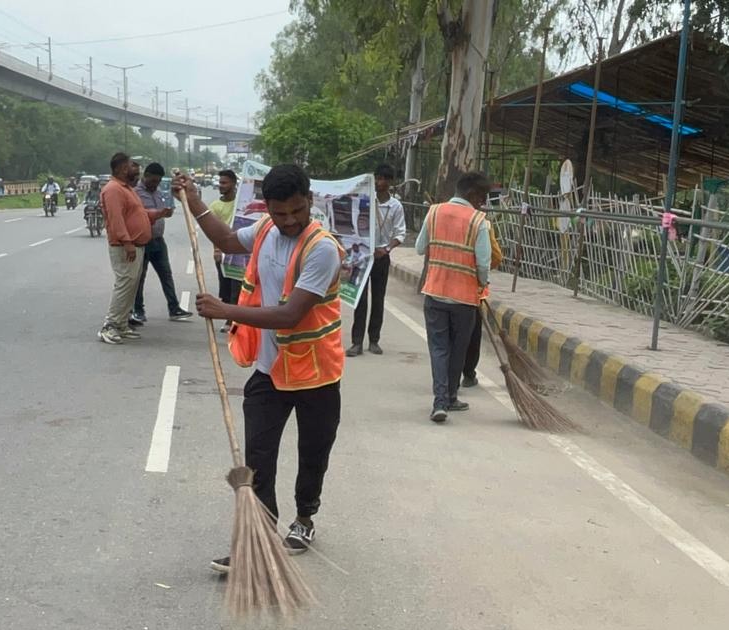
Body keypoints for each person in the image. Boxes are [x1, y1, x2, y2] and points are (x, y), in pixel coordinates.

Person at [173, 164, 344, 571]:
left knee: (312, 453)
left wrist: (223, 308)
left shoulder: (321, 247)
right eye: (280, 212)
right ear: (267, 207)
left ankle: (304, 518)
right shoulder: (266, 230)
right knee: (258, 458)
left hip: (316, 374)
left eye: (297, 211)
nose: (289, 221)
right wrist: (194, 199)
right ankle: (260, 539)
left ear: (310, 202)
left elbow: (291, 315)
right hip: (270, 370)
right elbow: (229, 239)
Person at [415, 172, 493, 423]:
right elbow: (483, 263)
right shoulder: (479, 221)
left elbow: (419, 247)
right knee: (458, 349)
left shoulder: (434, 212)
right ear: (472, 194)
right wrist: (483, 283)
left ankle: (440, 402)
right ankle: (449, 397)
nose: (482, 203)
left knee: (439, 349)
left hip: (435, 292)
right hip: (465, 298)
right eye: (482, 198)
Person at [97, 153, 171, 345]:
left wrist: (157, 214)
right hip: (125, 246)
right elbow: (116, 219)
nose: (137, 170)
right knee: (124, 284)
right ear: (122, 169)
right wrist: (127, 242)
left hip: (137, 245)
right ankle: (110, 325)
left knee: (131, 285)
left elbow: (137, 214)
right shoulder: (113, 189)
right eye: (132, 166)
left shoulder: (127, 189)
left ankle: (121, 324)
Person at [347, 165, 406, 357]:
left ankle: (374, 340)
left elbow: (400, 232)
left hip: (382, 256)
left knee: (378, 299)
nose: (380, 182)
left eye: (384, 179)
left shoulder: (396, 206)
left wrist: (387, 249)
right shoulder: (365, 199)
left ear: (390, 182)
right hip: (363, 256)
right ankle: (356, 342)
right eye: (377, 178)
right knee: (360, 299)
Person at [131, 162, 193, 325]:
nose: (155, 184)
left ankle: (174, 308)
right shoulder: (135, 193)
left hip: (158, 240)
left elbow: (162, 211)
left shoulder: (158, 193)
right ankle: (138, 309)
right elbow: (136, 216)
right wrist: (157, 214)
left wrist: (166, 213)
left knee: (166, 275)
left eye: (158, 181)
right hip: (142, 241)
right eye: (152, 181)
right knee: (139, 277)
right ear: (145, 177)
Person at [210, 169, 241, 333]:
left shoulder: (241, 203)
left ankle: (232, 321)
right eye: (220, 182)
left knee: (238, 287)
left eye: (224, 182)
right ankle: (230, 318)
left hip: (240, 252)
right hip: (223, 253)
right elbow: (213, 231)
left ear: (234, 184)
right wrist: (216, 250)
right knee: (226, 287)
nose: (220, 186)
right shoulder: (215, 206)